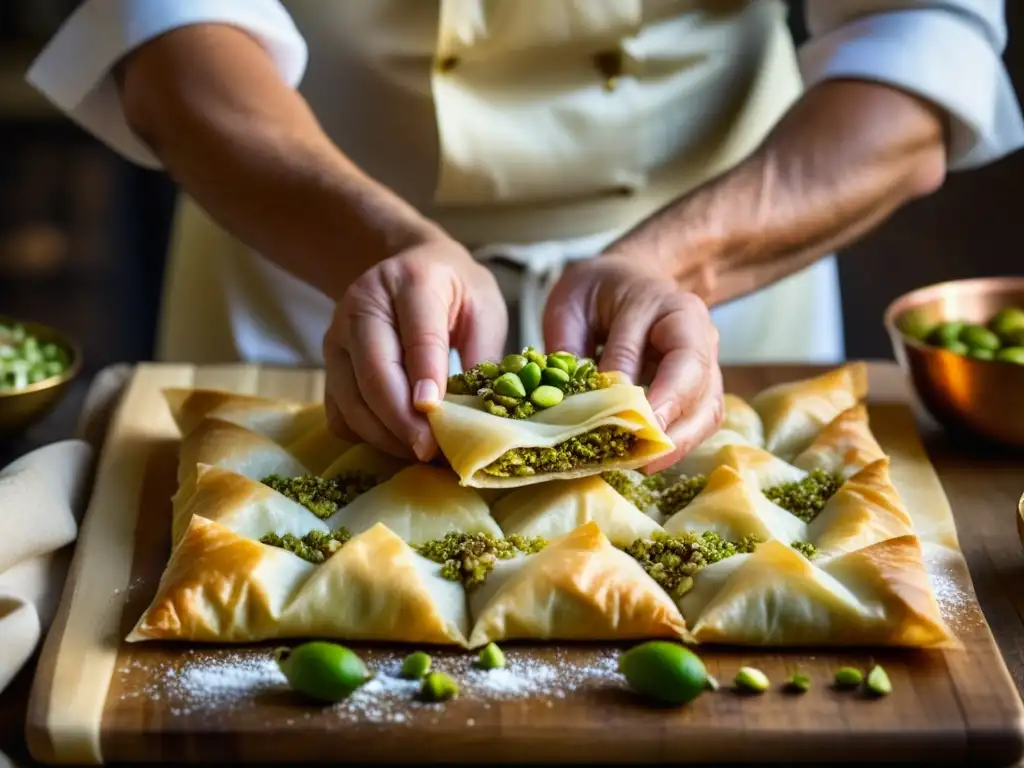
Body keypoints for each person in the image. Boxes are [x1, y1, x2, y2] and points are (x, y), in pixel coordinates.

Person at [26, 1, 1023, 471]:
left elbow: (919, 54)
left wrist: (669, 264)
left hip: (717, 286)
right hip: (302, 255)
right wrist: (373, 247)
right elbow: (165, 35)